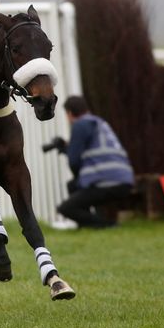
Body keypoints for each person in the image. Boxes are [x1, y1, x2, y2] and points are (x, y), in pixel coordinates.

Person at [43, 95, 135, 229]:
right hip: (125, 180)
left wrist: (67, 153)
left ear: (69, 113)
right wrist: (66, 148)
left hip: (107, 182)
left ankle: (108, 225)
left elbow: (74, 161)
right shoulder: (99, 123)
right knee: (73, 185)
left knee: (66, 208)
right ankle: (88, 225)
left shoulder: (80, 124)